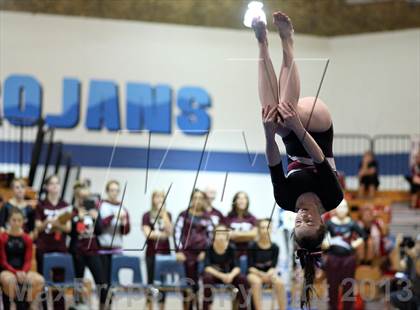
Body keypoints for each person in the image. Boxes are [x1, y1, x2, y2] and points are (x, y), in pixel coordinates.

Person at [252, 11, 343, 308]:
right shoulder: (332, 197)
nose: (302, 216)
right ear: (321, 221)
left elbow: (273, 162)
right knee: (286, 108)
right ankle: (287, 41)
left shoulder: (285, 199)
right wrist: (297, 127)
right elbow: (318, 157)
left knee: (270, 113)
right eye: (309, 221)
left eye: (298, 223)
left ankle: (262, 43)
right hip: (317, 127)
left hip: (292, 135)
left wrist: (268, 134)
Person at [35, 175, 72, 310]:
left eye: (57, 183)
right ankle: (44, 307)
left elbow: (68, 228)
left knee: (59, 283)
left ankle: (59, 308)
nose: (55, 186)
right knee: (43, 281)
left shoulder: (65, 205)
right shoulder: (41, 205)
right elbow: (38, 227)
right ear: (46, 187)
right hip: (44, 247)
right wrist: (47, 222)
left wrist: (57, 224)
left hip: (60, 247)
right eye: (52, 183)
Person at [69, 181, 107, 310]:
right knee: (78, 282)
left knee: (101, 282)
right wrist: (78, 219)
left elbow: (100, 231)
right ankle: (77, 305)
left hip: (92, 250)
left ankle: (103, 306)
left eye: (87, 197)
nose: (84, 200)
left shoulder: (94, 210)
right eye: (82, 197)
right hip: (77, 251)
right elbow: (72, 232)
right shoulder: (72, 211)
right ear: (77, 197)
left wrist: (96, 219)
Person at [174, 189, 214, 310]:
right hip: (186, 255)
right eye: (195, 197)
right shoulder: (183, 215)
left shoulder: (207, 218)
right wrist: (179, 251)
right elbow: (177, 233)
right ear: (191, 199)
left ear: (204, 201)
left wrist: (205, 252)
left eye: (200, 198)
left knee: (202, 284)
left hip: (202, 255)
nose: (198, 200)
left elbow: (211, 236)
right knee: (187, 285)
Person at [323, 200, 366, 310]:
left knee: (348, 286)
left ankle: (348, 307)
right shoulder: (329, 223)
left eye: (344, 207)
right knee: (332, 286)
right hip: (333, 259)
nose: (342, 209)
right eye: (340, 207)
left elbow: (363, 235)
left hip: (348, 259)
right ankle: (332, 307)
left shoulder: (352, 223)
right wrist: (325, 243)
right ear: (336, 209)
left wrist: (355, 244)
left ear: (347, 209)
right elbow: (322, 237)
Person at [0, 207, 44, 310]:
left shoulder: (27, 238)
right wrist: (15, 272)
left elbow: (28, 260)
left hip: (23, 269)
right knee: (11, 282)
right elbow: (3, 261)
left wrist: (23, 272)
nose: (16, 223)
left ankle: (28, 305)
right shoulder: (3, 237)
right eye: (13, 220)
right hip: (7, 269)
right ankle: (15, 305)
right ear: (8, 221)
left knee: (39, 280)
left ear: (23, 222)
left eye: (19, 220)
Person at [98, 180, 130, 307]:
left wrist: (124, 222)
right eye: (112, 190)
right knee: (103, 281)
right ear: (107, 191)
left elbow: (126, 231)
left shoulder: (123, 207)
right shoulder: (101, 205)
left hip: (116, 249)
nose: (114, 193)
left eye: (116, 190)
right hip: (103, 248)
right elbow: (100, 226)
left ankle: (110, 306)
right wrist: (113, 216)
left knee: (113, 281)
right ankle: (102, 305)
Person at [202, 224, 250, 310]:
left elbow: (237, 267)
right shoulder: (208, 248)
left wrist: (231, 275)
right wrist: (221, 275)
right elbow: (207, 267)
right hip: (216, 276)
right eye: (218, 233)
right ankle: (207, 306)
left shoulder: (232, 248)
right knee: (207, 278)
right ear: (214, 235)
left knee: (242, 279)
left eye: (223, 233)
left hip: (230, 276)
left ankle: (243, 307)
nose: (221, 236)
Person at [142, 190, 172, 310]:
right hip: (151, 252)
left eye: (162, 197)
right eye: (157, 197)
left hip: (165, 253)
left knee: (163, 283)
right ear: (152, 199)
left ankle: (162, 307)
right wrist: (162, 234)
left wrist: (163, 214)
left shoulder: (167, 214)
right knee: (151, 282)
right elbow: (148, 234)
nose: (160, 199)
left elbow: (169, 232)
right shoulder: (146, 215)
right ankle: (149, 306)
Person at [247, 219, 286, 310]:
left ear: (271, 229)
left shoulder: (275, 247)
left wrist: (268, 274)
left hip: (269, 273)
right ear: (259, 230)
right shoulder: (252, 246)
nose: (265, 230)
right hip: (254, 273)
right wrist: (261, 275)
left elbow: (273, 266)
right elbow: (250, 267)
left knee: (280, 283)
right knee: (257, 282)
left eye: (268, 228)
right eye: (263, 228)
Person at [225, 192, 257, 257]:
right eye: (239, 198)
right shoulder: (228, 218)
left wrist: (235, 234)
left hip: (248, 254)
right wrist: (247, 235)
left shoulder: (252, 218)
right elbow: (228, 235)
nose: (242, 201)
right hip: (232, 254)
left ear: (247, 202)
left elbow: (254, 235)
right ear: (235, 201)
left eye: (244, 198)